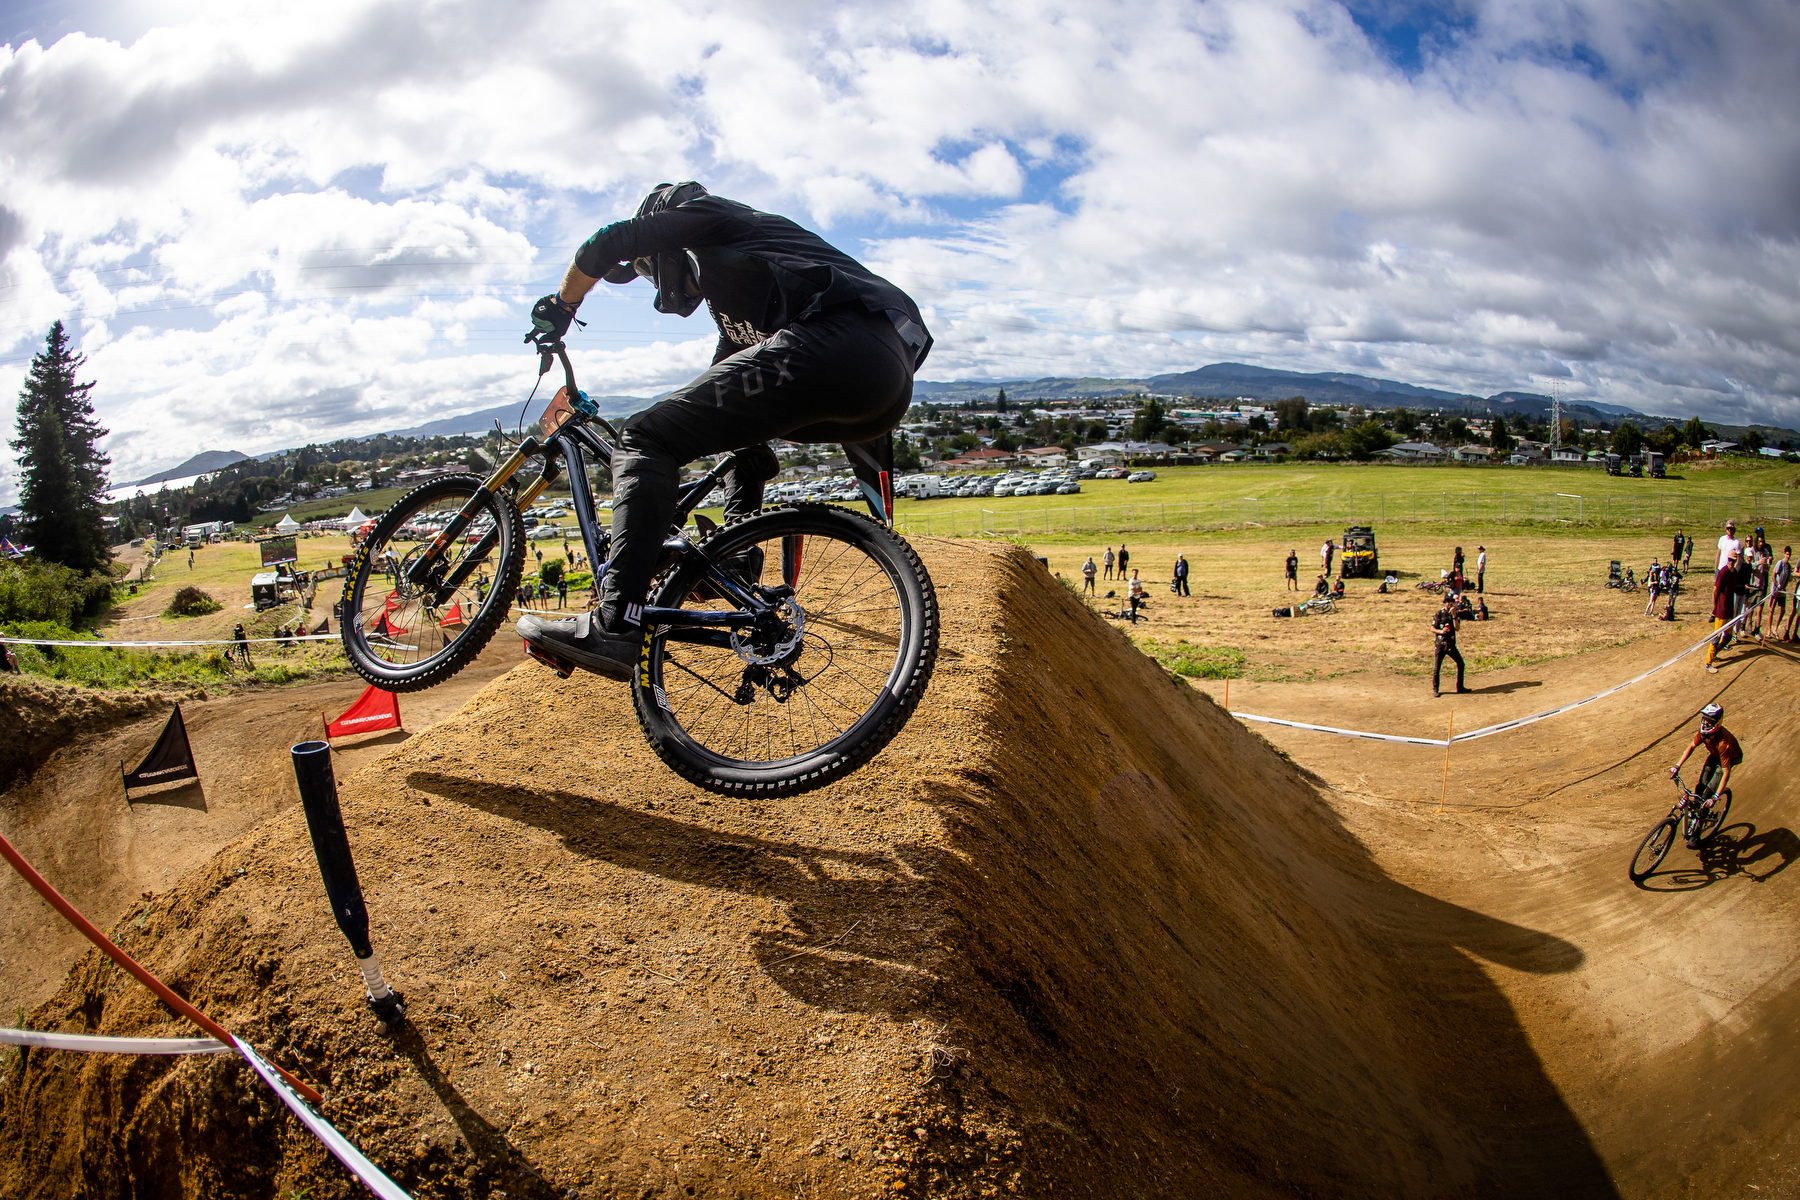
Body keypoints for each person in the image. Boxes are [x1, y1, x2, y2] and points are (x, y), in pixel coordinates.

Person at [513, 181, 932, 679]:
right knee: (733, 435)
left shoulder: (709, 215)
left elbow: (607, 241)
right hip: (881, 387)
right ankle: (735, 557)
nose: (653, 284)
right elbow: (722, 395)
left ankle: (616, 623)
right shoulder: (737, 305)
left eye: (648, 270)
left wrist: (563, 306)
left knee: (644, 437)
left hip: (839, 341)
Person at [1669, 703, 1741, 848]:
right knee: (1700, 787)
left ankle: (1696, 834)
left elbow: (1726, 772)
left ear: (1717, 723)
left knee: (1707, 794)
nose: (1705, 723)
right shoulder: (1703, 733)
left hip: (1726, 760)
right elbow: (1691, 746)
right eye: (1704, 719)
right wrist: (1677, 766)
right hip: (1714, 755)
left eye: (1709, 721)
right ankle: (1697, 811)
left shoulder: (1723, 743)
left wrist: (1716, 797)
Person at [1706, 548, 1740, 673]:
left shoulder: (1734, 573)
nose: (1731, 562)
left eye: (1734, 560)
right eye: (1730, 560)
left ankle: (1715, 654)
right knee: (1716, 637)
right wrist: (1715, 607)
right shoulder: (1723, 572)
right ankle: (1708, 663)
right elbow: (1715, 591)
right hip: (1721, 610)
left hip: (1729, 610)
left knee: (1728, 636)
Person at [1431, 593, 1469, 698]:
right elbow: (1432, 629)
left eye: (1451, 601)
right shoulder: (1439, 614)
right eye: (1448, 601)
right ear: (1445, 603)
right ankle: (1435, 689)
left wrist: (1454, 616)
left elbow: (1457, 628)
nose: (1450, 603)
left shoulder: (1454, 614)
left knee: (1461, 664)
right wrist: (1441, 631)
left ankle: (1460, 687)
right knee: (1437, 668)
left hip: (1451, 644)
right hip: (1441, 644)